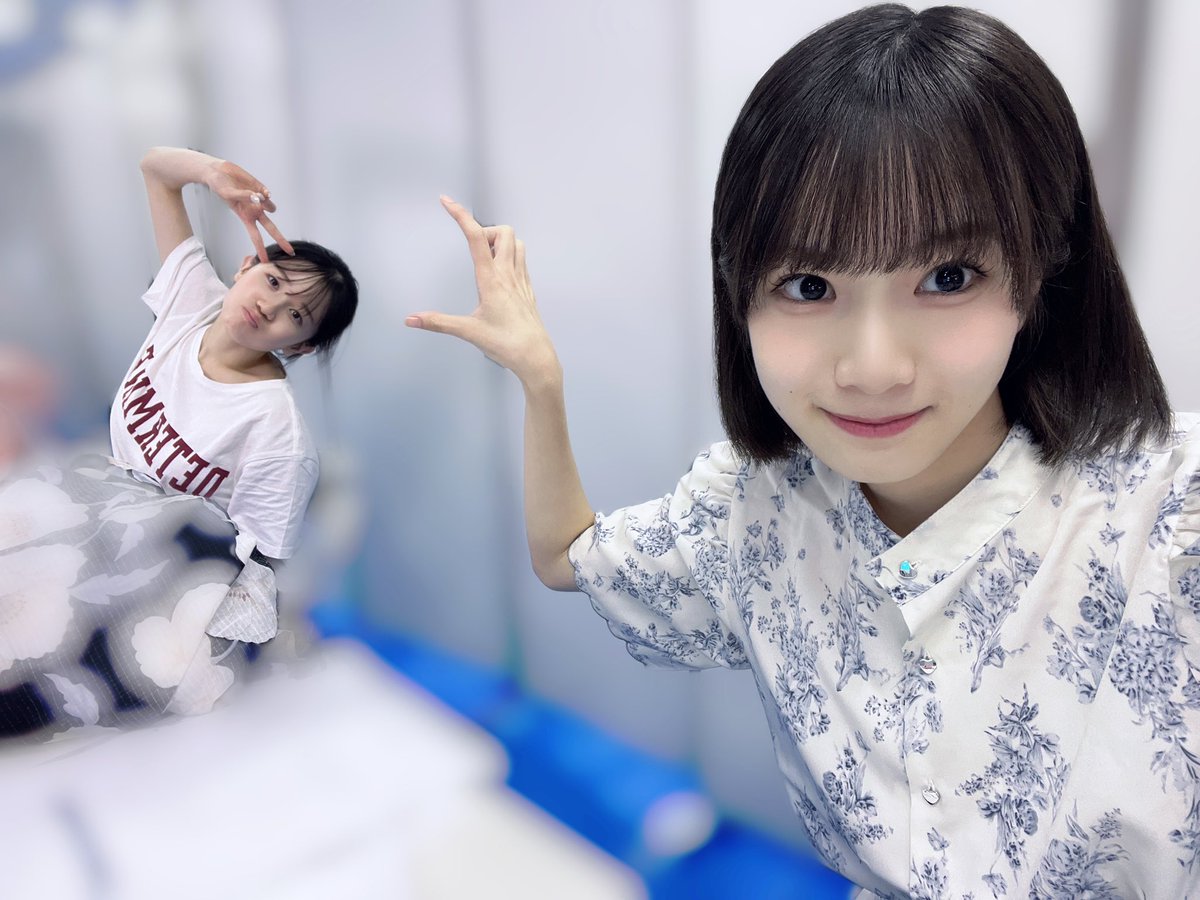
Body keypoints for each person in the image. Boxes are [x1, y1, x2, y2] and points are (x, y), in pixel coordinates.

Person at [408, 4, 1200, 897]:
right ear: (738, 289)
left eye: (947, 277)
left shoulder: (1170, 530)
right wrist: (540, 379)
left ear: (1041, 268)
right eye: (809, 285)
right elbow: (570, 557)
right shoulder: (751, 514)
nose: (873, 368)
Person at [113, 146, 358, 561]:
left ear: (301, 345)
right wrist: (212, 172)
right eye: (274, 281)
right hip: (100, 524)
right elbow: (155, 168)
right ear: (246, 266)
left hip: (167, 573)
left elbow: (261, 569)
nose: (268, 306)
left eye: (296, 314)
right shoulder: (192, 297)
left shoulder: (277, 435)